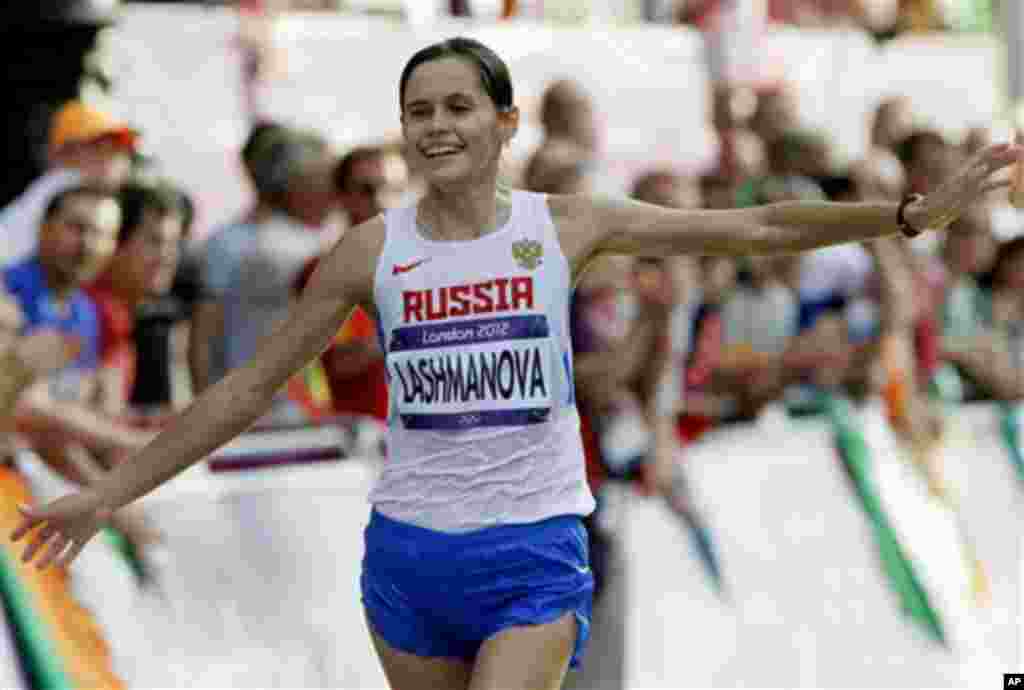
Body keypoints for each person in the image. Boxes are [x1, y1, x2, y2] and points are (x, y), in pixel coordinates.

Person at [12, 37, 1021, 690]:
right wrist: (107, 494)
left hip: (531, 550)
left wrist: (902, 215)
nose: (437, 125)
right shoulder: (369, 249)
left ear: (504, 125)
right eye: (419, 110)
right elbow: (242, 388)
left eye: (458, 106)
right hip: (408, 558)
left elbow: (753, 220)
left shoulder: (569, 223)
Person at [0, 101, 136, 266]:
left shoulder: (51, 190)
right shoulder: (65, 186)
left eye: (119, 149)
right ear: (65, 152)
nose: (115, 159)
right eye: (99, 147)